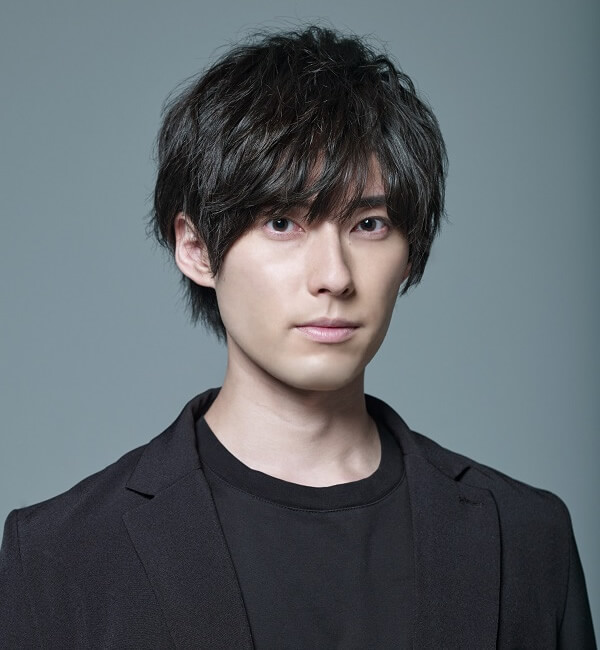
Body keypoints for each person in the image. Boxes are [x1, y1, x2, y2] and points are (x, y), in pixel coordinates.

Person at [0, 25, 595, 649]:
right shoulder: (60, 557)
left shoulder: (527, 538)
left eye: (369, 223)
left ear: (410, 251)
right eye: (282, 222)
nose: (334, 276)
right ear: (196, 248)